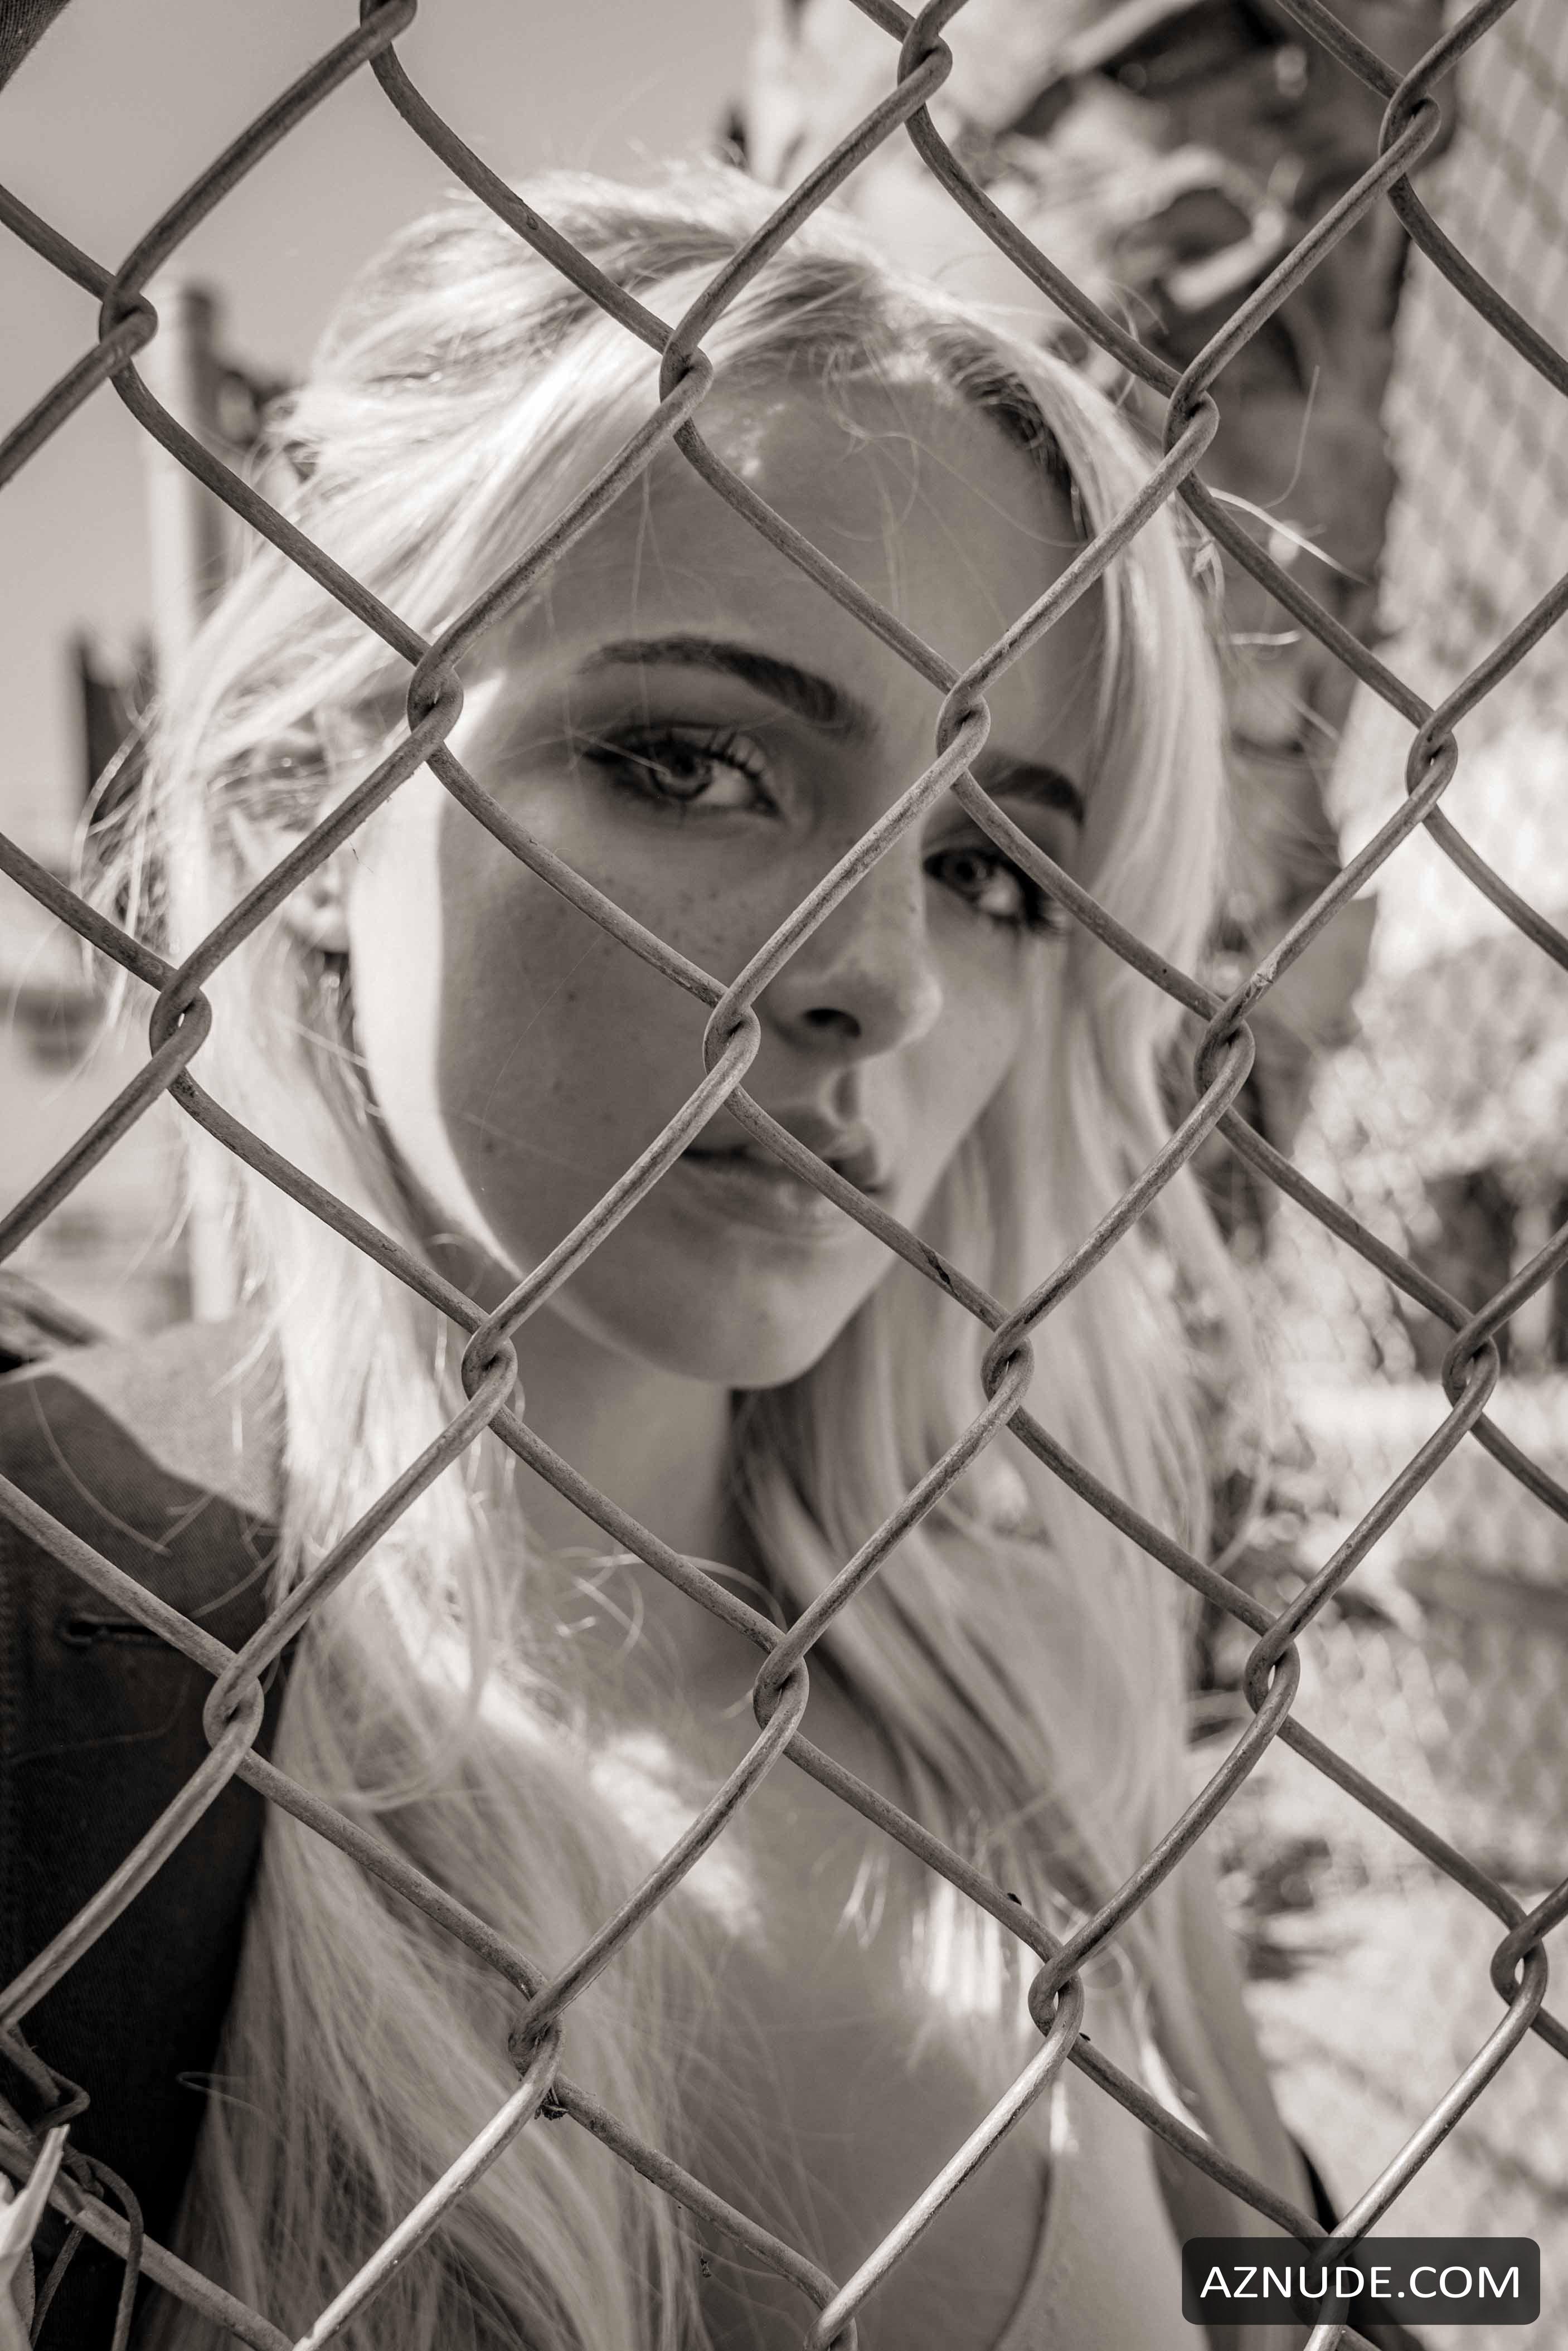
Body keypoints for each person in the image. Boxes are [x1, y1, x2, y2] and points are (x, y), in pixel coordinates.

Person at [0, 165, 1404, 2351]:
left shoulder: (1021, 1654)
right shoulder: (74, 1694)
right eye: (694, 759)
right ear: (307, 805)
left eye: (993, 869)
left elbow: (1285, 2280)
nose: (883, 983)